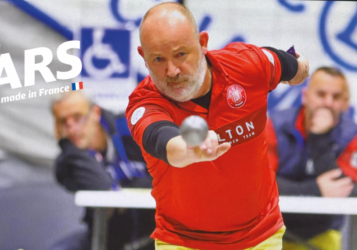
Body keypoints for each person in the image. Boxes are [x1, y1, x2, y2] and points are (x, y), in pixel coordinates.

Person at [125, 3, 309, 250]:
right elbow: (163, 139)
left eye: (181, 54)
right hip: (182, 241)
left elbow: (289, 65)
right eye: (158, 59)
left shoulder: (248, 66)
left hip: (259, 235)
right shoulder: (143, 103)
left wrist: (300, 69)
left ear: (202, 43)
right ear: (143, 56)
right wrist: (192, 149)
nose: (172, 70)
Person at [266, 67, 357, 250]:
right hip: (272, 230)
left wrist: (319, 140)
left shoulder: (351, 135)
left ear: (345, 103)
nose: (328, 103)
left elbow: (345, 190)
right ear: (305, 96)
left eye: (336, 97)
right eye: (321, 94)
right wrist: (315, 188)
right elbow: (262, 184)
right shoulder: (275, 125)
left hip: (322, 232)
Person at [51, 90, 155, 250]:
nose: (72, 129)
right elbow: (102, 187)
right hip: (106, 240)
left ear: (96, 113)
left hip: (157, 235)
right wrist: (68, 146)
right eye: (63, 122)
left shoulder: (131, 129)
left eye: (78, 118)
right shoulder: (68, 163)